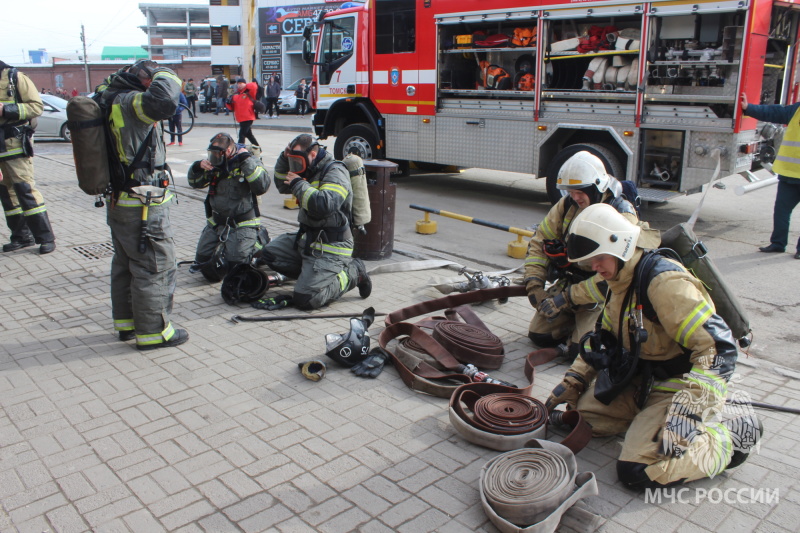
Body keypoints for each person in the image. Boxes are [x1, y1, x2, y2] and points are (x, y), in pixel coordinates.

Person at [546, 203, 762, 489]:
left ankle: (729, 438)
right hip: (640, 378)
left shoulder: (665, 283)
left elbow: (718, 350)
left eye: (598, 259)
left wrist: (689, 410)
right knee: (582, 421)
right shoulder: (619, 279)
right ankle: (646, 424)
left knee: (637, 470)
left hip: (679, 385)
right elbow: (604, 342)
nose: (594, 268)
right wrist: (574, 379)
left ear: (620, 246)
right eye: (590, 262)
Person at [95, 59, 188, 350]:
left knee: (125, 264)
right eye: (151, 79)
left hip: (119, 200)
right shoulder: (133, 103)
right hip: (142, 202)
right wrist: (165, 74)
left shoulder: (108, 97)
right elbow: (163, 102)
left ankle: (126, 325)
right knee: (154, 266)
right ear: (144, 79)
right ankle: (153, 333)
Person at [524, 151, 650, 361]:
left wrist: (565, 298)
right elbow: (539, 242)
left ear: (597, 186)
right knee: (540, 336)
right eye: (570, 191)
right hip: (570, 285)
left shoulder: (621, 215)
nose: (574, 197)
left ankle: (590, 329)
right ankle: (575, 324)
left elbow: (616, 276)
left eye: (580, 191)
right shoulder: (567, 206)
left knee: (580, 352)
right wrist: (534, 286)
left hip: (601, 295)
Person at [255, 134, 371, 310]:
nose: (295, 165)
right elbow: (281, 183)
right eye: (293, 160)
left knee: (306, 299)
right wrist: (284, 157)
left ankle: (354, 272)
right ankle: (312, 276)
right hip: (309, 241)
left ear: (313, 154)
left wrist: (299, 185)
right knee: (269, 254)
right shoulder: (308, 169)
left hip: (332, 245)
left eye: (297, 160)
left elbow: (325, 204)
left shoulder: (335, 171)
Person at [188, 132, 270, 278]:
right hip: (217, 223)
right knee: (203, 262)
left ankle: (258, 244)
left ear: (227, 151)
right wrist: (198, 167)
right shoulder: (215, 163)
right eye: (211, 153)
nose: (213, 156)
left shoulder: (247, 160)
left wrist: (246, 161)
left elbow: (262, 186)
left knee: (235, 266)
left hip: (242, 223)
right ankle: (230, 246)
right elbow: (195, 183)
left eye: (217, 153)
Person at [0, 60, 56, 254]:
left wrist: (6, 109)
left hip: (15, 145)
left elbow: (36, 107)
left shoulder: (15, 78)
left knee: (25, 190)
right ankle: (21, 237)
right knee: (6, 194)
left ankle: (46, 238)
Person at [740, 93, 800, 259]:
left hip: (791, 173)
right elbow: (775, 112)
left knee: (782, 210)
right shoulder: (797, 110)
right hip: (790, 174)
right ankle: (778, 244)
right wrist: (749, 108)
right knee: (781, 211)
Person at [226, 78, 260, 146]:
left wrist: (245, 86)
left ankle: (240, 149)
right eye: (238, 84)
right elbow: (231, 108)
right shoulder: (236, 95)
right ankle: (257, 147)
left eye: (241, 83)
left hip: (248, 117)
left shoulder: (249, 92)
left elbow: (254, 85)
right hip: (241, 118)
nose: (239, 85)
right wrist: (228, 102)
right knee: (249, 134)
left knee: (242, 134)